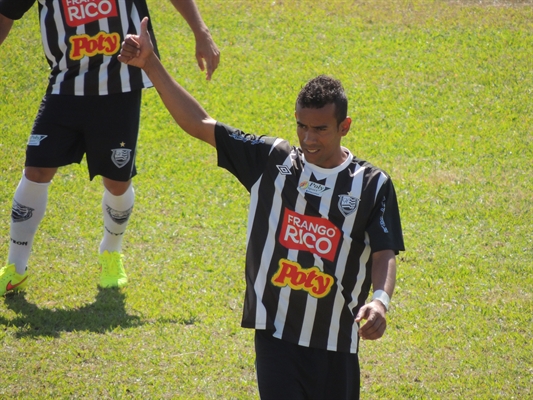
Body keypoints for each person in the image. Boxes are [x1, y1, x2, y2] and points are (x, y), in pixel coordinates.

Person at [119, 18, 404, 400]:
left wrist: (380, 302)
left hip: (337, 340)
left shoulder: (373, 185)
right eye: (302, 126)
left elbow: (385, 251)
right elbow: (201, 123)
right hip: (276, 336)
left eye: (320, 129)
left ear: (345, 126)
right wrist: (151, 65)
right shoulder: (273, 161)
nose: (308, 138)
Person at [0, 1, 220, 295]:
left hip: (120, 87)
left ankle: (111, 253)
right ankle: (15, 266)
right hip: (65, 86)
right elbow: (7, 11)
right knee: (36, 168)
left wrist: (201, 31)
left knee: (117, 183)